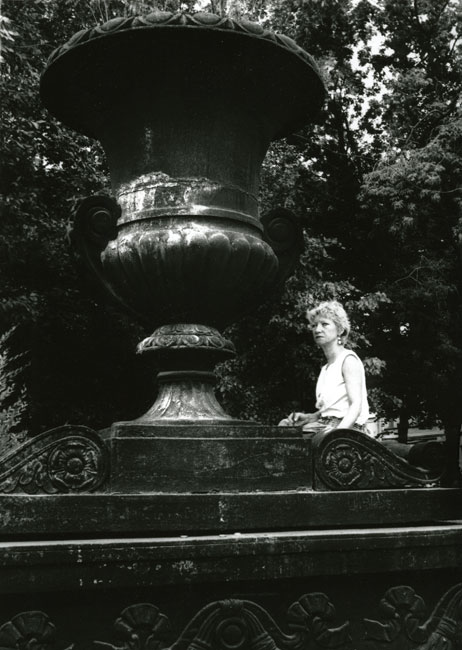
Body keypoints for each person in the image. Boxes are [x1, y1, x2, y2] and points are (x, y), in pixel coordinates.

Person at [279, 300, 371, 435]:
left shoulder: (348, 360)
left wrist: (336, 436)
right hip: (324, 424)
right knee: (284, 425)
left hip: (349, 428)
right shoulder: (326, 368)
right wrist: (309, 417)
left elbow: (356, 406)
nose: (317, 329)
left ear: (340, 329)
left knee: (288, 436)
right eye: (314, 325)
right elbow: (332, 410)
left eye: (324, 324)